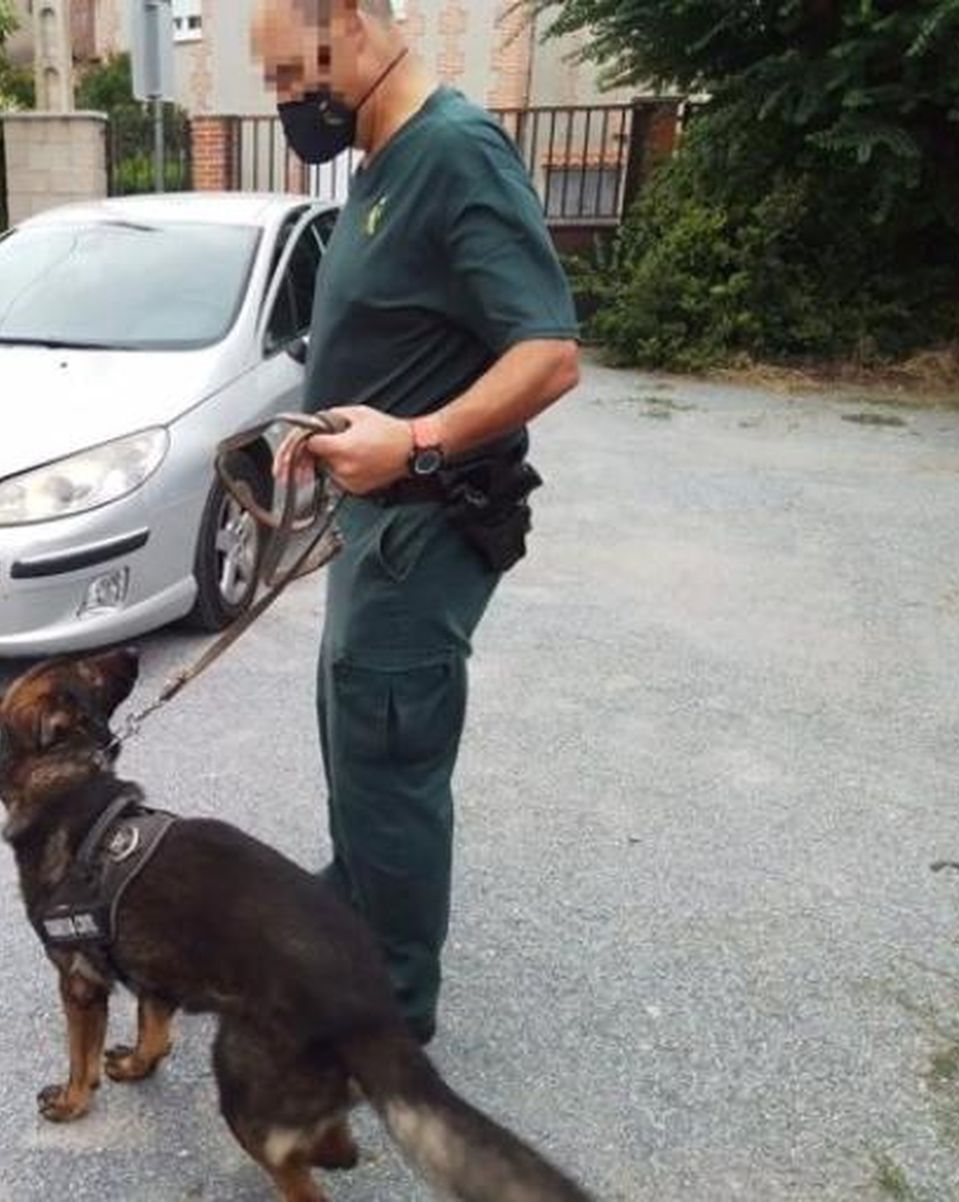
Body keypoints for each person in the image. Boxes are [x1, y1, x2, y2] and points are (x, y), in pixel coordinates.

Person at [250, 0, 582, 1044]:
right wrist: (323, 428)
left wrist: (417, 440)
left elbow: (548, 354)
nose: (285, 100)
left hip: (426, 526)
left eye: (289, 73)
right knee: (355, 744)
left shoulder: (454, 153)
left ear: (349, 23)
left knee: (391, 764)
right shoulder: (379, 160)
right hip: (373, 526)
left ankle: (389, 1018)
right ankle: (350, 916)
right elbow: (403, 337)